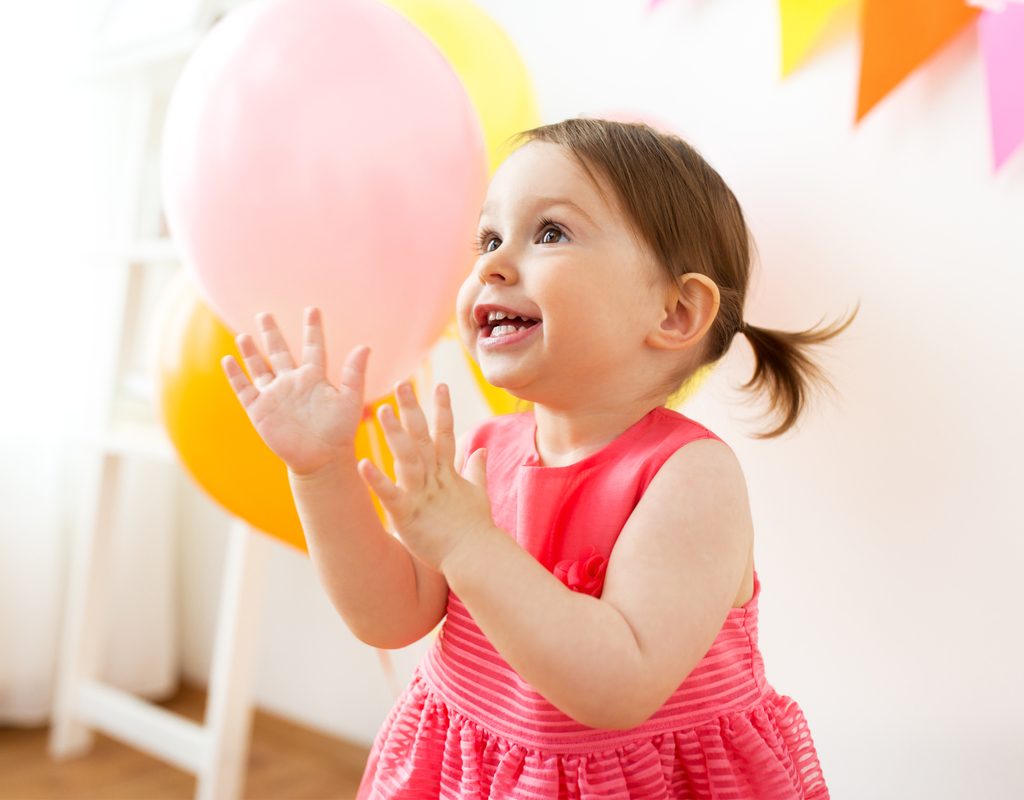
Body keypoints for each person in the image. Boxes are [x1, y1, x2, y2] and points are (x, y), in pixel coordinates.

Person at [222, 117, 857, 799]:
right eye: (489, 239)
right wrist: (321, 474)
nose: (492, 263)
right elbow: (391, 615)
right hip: (480, 774)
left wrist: (469, 542)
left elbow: (619, 686)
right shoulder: (486, 454)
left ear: (674, 312)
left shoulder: (689, 477)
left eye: (549, 233)